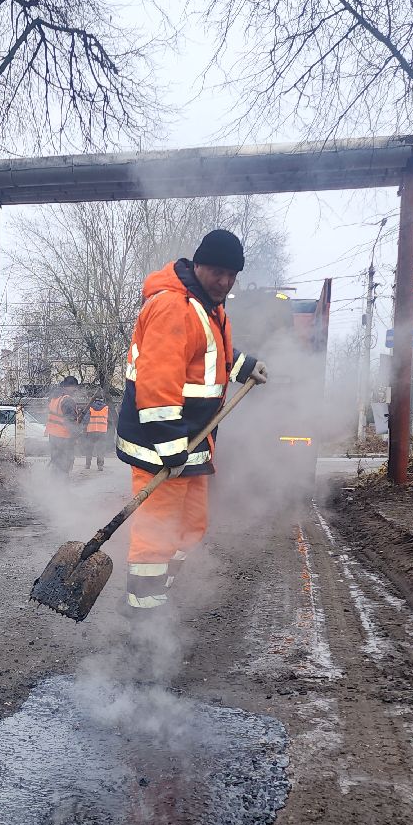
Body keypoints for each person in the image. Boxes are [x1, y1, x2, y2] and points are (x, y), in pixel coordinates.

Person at [115, 229, 267, 617]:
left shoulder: (208, 306)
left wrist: (244, 365)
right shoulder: (172, 306)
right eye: (218, 272)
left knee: (190, 527)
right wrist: (170, 448)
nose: (225, 281)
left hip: (192, 442)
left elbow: (209, 356)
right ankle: (143, 618)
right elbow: (157, 384)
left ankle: (158, 594)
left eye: (232, 275)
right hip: (161, 446)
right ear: (197, 265)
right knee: (157, 533)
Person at [46, 376, 83, 474]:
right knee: (65, 464)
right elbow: (70, 421)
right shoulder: (67, 400)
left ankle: (54, 485)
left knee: (56, 462)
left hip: (53, 436)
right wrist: (77, 436)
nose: (76, 389)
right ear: (69, 386)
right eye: (75, 387)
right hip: (64, 437)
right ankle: (62, 485)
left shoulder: (54, 398)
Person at [83, 388, 109, 470]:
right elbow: (109, 420)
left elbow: (86, 419)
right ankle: (100, 465)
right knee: (100, 449)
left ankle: (88, 464)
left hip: (91, 431)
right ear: (102, 399)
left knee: (89, 448)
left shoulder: (90, 407)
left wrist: (83, 428)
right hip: (102, 431)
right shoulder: (106, 408)